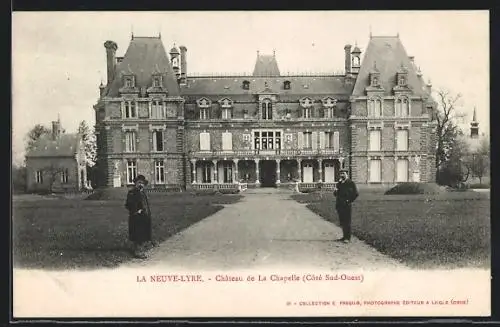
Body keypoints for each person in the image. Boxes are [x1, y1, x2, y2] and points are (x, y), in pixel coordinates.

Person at [125, 174, 152, 258]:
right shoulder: (132, 192)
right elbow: (128, 204)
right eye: (139, 182)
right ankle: (138, 252)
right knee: (138, 234)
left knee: (144, 233)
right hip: (136, 216)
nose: (141, 184)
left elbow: (145, 204)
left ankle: (141, 249)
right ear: (136, 183)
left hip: (144, 216)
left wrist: (147, 213)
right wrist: (136, 210)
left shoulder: (143, 192)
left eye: (142, 183)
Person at [333, 169, 359, 244]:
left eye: (343, 174)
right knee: (342, 221)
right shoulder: (339, 183)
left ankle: (348, 238)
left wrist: (349, 201)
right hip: (339, 205)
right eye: (341, 174)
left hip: (347, 205)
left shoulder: (350, 183)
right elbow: (335, 194)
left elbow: (356, 194)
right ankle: (344, 236)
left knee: (347, 221)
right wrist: (335, 191)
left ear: (347, 174)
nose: (342, 175)